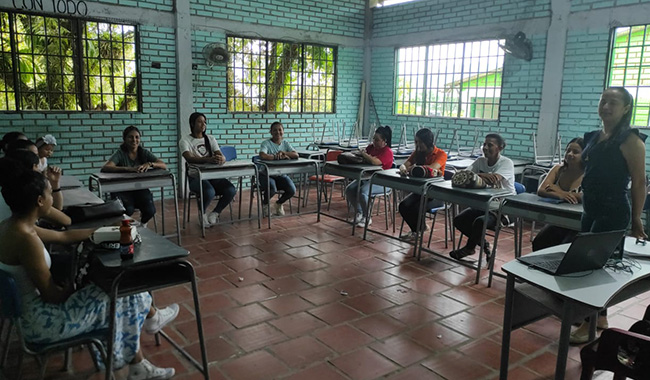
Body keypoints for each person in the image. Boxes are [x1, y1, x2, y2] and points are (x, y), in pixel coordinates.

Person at [0, 158, 178, 379]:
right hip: (44, 323)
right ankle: (137, 359)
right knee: (121, 291)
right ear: (39, 201)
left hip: (27, 316)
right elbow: (53, 295)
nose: (51, 199)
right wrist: (76, 287)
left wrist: (103, 229)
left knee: (120, 290)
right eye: (49, 193)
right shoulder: (27, 240)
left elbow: (63, 235)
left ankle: (138, 360)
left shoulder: (13, 227)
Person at [570, 87, 647, 344]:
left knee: (593, 266)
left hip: (613, 210)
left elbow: (639, 182)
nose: (606, 106)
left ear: (626, 108)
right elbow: (584, 168)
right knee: (592, 262)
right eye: (603, 100)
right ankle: (599, 317)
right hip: (590, 208)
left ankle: (589, 323)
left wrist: (636, 220)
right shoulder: (592, 137)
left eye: (613, 102)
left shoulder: (631, 140)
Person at [450, 133, 516, 261]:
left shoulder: (506, 163)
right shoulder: (480, 161)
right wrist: (484, 175)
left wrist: (477, 176)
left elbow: (494, 179)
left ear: (500, 148)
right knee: (459, 220)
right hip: (485, 204)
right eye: (484, 144)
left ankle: (469, 247)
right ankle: (485, 244)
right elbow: (463, 174)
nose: (485, 147)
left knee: (479, 222)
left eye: (490, 145)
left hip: (505, 207)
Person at [179, 112, 236, 228]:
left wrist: (221, 158)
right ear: (192, 124)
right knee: (209, 192)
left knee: (231, 189)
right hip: (196, 177)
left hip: (213, 175)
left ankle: (215, 213)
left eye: (204, 122)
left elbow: (220, 154)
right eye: (200, 122)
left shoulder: (210, 139)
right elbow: (189, 158)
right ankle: (203, 213)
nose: (203, 124)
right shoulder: (185, 141)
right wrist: (208, 159)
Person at [102, 126, 167, 226]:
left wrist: (150, 164)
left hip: (138, 188)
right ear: (124, 139)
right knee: (127, 210)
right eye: (130, 137)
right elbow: (106, 167)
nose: (134, 140)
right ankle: (124, 228)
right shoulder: (120, 153)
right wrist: (127, 169)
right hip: (121, 189)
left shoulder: (143, 152)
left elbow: (163, 165)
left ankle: (142, 225)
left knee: (150, 210)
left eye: (137, 137)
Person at [531, 138, 585, 251]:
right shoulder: (558, 169)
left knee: (565, 248)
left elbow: (584, 196)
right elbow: (541, 190)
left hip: (579, 222)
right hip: (559, 220)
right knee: (539, 242)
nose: (570, 154)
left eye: (575, 152)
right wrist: (562, 195)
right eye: (568, 150)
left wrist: (554, 189)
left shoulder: (588, 173)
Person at [2, 140, 70, 226]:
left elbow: (56, 211)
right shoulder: (22, 194)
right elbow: (65, 221)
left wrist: (55, 184)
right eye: (34, 155)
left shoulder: (10, 188)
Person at [398, 128, 447, 240]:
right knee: (403, 206)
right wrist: (403, 168)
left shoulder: (441, 154)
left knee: (416, 207)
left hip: (435, 193)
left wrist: (413, 168)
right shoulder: (418, 152)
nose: (417, 145)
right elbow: (405, 164)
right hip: (420, 191)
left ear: (428, 142)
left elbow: (431, 168)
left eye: (419, 142)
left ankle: (418, 232)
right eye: (416, 142)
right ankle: (418, 229)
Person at [345, 126, 394, 227]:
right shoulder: (371, 148)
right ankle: (359, 212)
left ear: (384, 141)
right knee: (349, 189)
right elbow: (364, 155)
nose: (374, 142)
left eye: (377, 140)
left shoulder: (387, 152)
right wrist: (360, 153)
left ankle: (367, 217)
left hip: (382, 181)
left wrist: (364, 154)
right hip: (366, 177)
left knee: (363, 192)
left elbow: (375, 162)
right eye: (373, 139)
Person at [258, 122, 298, 216]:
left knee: (291, 190)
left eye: (280, 130)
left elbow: (296, 155)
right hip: (266, 174)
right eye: (275, 130)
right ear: (271, 132)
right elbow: (262, 155)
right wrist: (276, 157)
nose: (278, 132)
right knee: (272, 188)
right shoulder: (266, 143)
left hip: (280, 174)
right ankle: (265, 204)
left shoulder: (285, 143)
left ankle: (279, 204)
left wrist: (284, 153)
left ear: (283, 131)